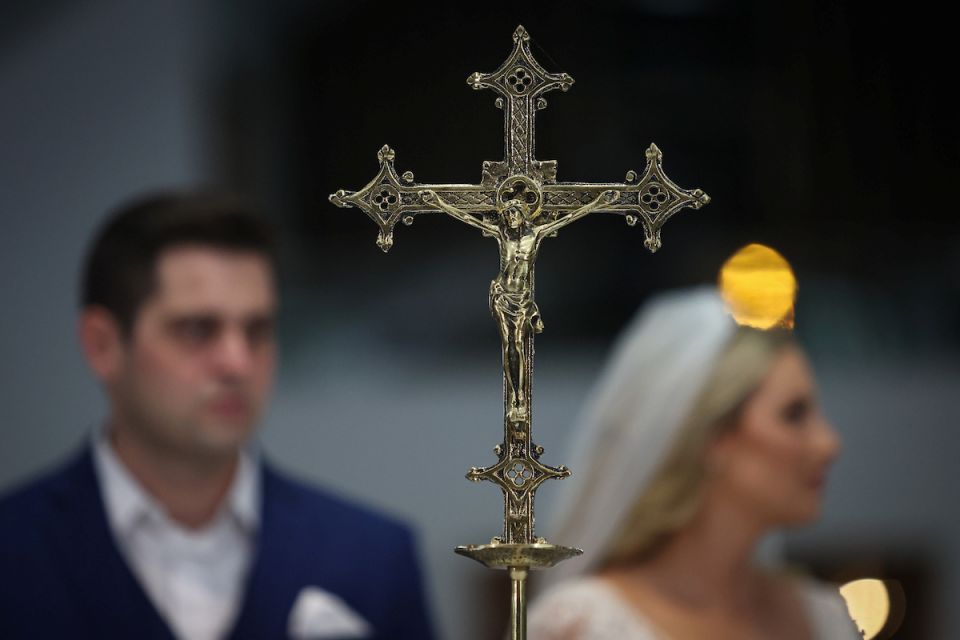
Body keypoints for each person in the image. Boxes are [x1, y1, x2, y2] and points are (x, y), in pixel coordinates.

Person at [0, 192, 435, 640]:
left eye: (257, 330)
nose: (237, 363)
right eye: (197, 329)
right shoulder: (12, 552)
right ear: (103, 345)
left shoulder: (372, 556)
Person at [528, 287, 860, 639]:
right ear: (713, 437)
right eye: (794, 415)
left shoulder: (823, 617)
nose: (829, 444)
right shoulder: (581, 625)